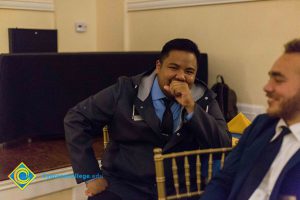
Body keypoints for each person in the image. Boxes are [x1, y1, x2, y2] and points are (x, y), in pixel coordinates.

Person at [64, 38, 231, 200]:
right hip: (124, 186)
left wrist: (191, 107)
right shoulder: (126, 90)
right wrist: (90, 176)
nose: (181, 77)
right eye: (173, 67)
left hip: (181, 191)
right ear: (158, 66)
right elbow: (76, 118)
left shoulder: (204, 99)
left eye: (189, 71)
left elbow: (223, 144)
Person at [200, 38, 300, 200]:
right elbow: (223, 181)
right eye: (270, 78)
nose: (267, 87)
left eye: (279, 80)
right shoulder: (261, 125)